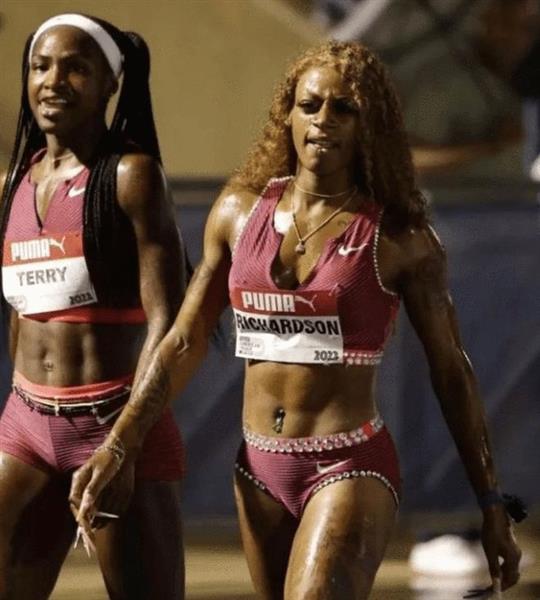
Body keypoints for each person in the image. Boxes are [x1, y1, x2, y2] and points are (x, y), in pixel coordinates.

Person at [71, 41, 522, 599]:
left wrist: (491, 502)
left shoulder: (401, 239)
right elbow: (185, 339)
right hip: (257, 469)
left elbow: (452, 371)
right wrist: (120, 443)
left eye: (344, 109)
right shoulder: (237, 212)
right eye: (310, 105)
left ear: (368, 125)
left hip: (348, 467)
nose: (323, 119)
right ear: (287, 114)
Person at [0, 13, 187, 600]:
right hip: (26, 426)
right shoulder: (14, 182)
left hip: (112, 425)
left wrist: (123, 443)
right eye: (41, 66)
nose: (53, 81)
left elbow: (171, 323)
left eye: (76, 68)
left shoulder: (131, 176)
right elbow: (21, 312)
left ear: (111, 84)